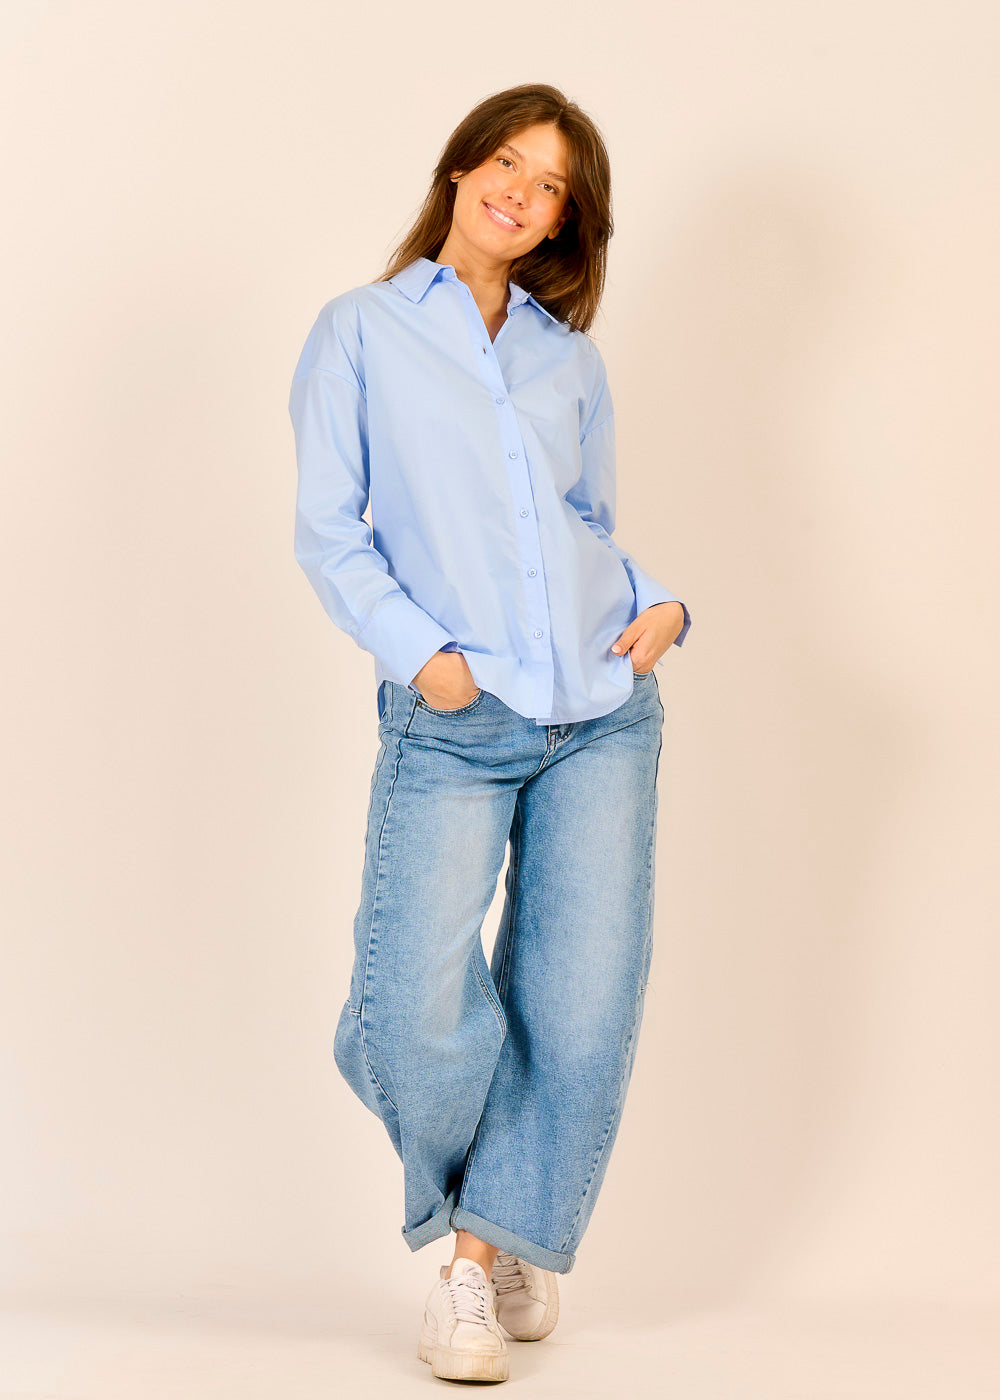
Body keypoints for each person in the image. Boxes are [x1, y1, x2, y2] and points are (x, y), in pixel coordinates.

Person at [288, 82, 692, 1384]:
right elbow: (331, 532)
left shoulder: (567, 358)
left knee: (578, 1011)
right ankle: (507, 1207)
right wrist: (427, 658)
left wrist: (659, 603)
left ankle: (480, 1259)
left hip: (602, 713)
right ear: (460, 170)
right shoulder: (359, 330)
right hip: (455, 716)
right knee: (405, 1013)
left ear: (568, 218)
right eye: (506, 161)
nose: (521, 189)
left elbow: (585, 526)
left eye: (551, 182)